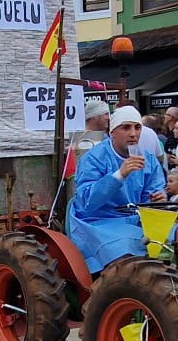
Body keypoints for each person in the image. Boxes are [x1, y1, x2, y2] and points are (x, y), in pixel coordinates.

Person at [67, 106, 165, 272]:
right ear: (112, 132)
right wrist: (119, 174)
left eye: (137, 127)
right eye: (126, 127)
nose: (133, 134)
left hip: (135, 219)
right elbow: (87, 202)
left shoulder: (147, 158)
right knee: (126, 252)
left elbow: (154, 189)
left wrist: (158, 197)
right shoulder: (94, 158)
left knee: (176, 241)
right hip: (98, 220)